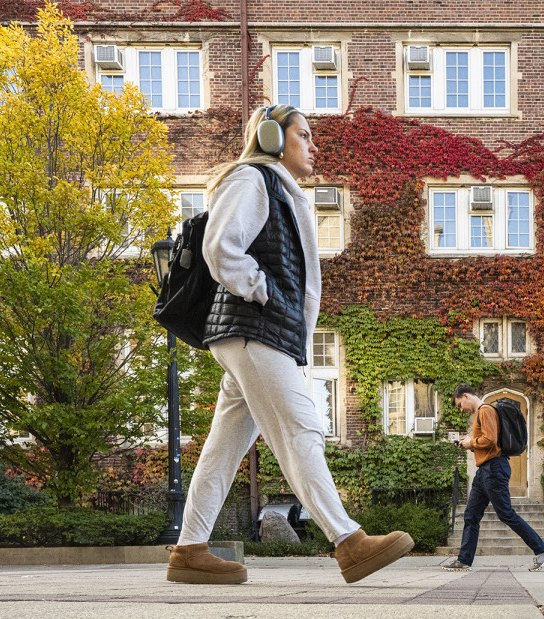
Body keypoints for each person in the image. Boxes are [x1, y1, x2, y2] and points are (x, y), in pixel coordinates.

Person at [165, 105, 413, 585]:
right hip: (254, 328)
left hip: (255, 332)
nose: (314, 145)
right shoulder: (253, 179)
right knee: (302, 427)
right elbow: (221, 248)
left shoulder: (276, 189)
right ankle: (349, 542)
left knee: (223, 448)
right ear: (272, 137)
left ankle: (190, 549)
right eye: (304, 135)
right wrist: (266, 294)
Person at [441, 386, 544, 572]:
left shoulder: (485, 410)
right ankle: (464, 560)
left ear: (466, 396)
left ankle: (541, 550)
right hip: (484, 470)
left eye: (460, 405)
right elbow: (487, 442)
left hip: (494, 469)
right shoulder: (482, 413)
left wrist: (471, 442)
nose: (461, 410)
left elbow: (491, 440)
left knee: (506, 514)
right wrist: (469, 444)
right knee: (471, 515)